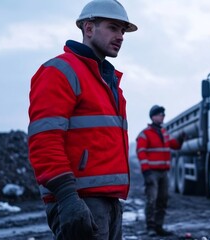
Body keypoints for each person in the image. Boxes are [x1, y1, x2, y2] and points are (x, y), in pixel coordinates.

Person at [27, 0, 137, 239]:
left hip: (109, 201)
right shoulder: (60, 71)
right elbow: (44, 140)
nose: (120, 36)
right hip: (80, 201)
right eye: (113, 27)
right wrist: (67, 197)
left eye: (122, 30)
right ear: (89, 28)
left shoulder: (109, 82)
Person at [136, 105, 184, 237]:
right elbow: (141, 152)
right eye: (160, 114)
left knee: (162, 200)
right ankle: (150, 227)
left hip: (163, 173)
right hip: (152, 173)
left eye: (163, 114)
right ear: (153, 116)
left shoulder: (164, 133)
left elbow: (175, 145)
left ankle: (159, 227)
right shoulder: (145, 134)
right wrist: (146, 173)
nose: (163, 116)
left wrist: (180, 139)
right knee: (151, 200)